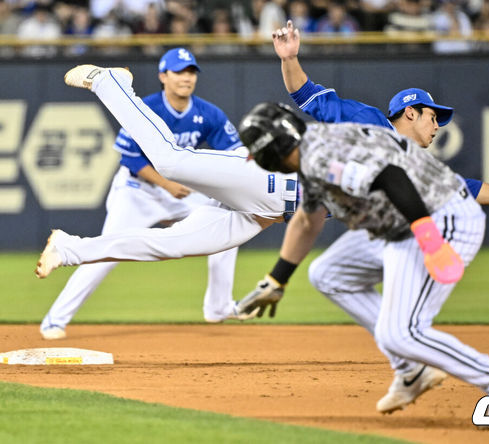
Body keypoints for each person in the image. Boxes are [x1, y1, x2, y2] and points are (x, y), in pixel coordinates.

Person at [238, 20, 489, 414]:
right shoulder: (311, 156)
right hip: (404, 225)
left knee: (401, 332)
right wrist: (277, 279)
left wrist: (431, 241)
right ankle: (412, 372)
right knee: (327, 274)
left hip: (440, 220)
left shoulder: (323, 155)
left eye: (254, 152)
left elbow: (391, 177)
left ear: (271, 150)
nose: (251, 159)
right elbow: (308, 221)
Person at [36, 64, 300, 327]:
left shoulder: (207, 112)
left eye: (191, 72)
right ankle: (108, 82)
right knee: (170, 161)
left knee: (171, 245)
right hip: (148, 189)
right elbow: (130, 157)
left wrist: (279, 277)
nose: (186, 77)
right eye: (179, 71)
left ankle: (68, 249)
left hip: (272, 210)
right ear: (164, 77)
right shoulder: (155, 105)